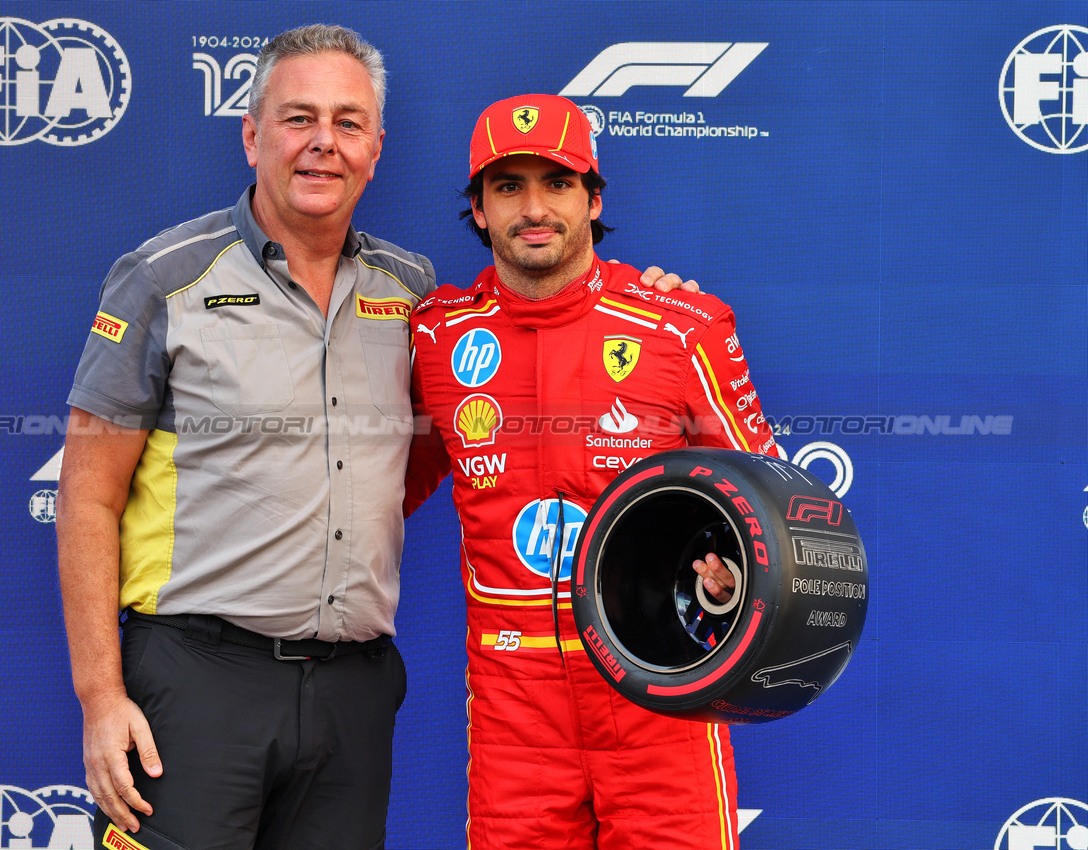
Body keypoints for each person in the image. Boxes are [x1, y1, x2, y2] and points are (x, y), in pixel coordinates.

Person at [57, 27, 692, 850]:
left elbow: (531, 323)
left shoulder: (415, 297)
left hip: (352, 693)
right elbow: (86, 495)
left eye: (348, 122)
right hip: (196, 676)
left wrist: (652, 300)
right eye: (298, 119)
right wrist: (101, 699)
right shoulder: (163, 277)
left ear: (376, 148)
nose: (324, 143)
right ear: (252, 136)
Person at [402, 94, 779, 849]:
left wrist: (735, 573)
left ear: (593, 198)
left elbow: (771, 499)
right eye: (507, 186)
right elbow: (379, 490)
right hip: (514, 710)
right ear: (477, 208)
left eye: (557, 182)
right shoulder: (434, 337)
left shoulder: (681, 327)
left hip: (658, 686)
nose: (532, 208)